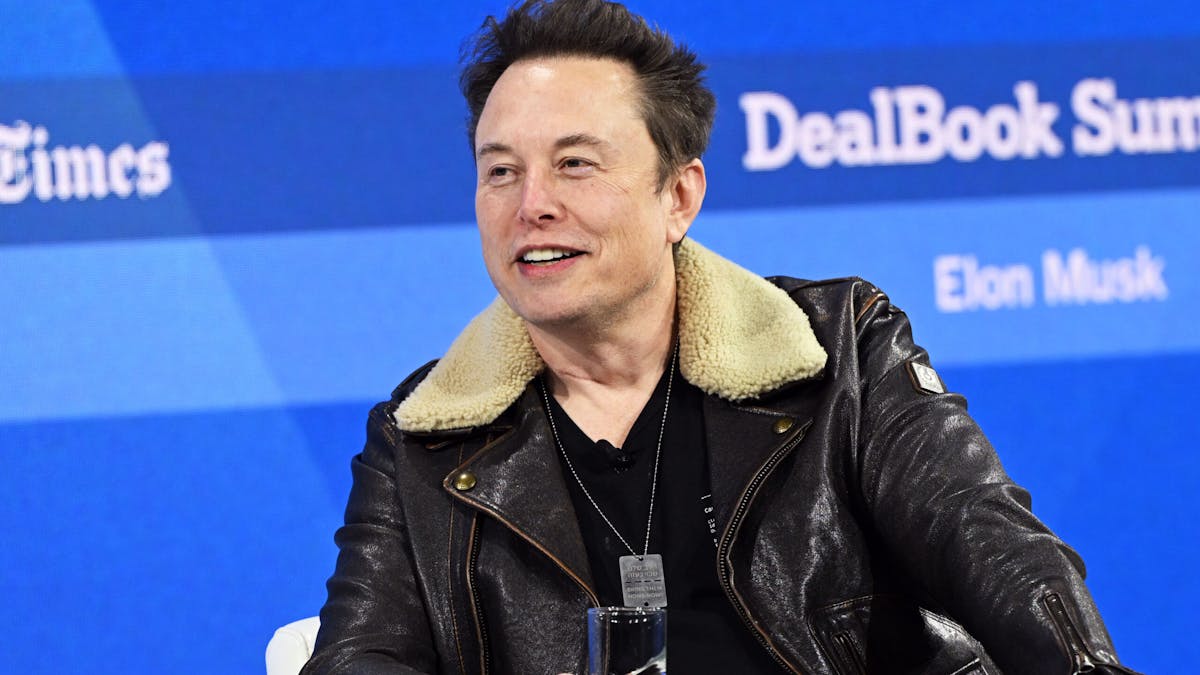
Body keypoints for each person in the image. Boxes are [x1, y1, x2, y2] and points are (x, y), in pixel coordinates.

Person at [302, 1, 1141, 673]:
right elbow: (361, 654)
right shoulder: (423, 437)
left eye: (575, 163)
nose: (532, 205)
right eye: (500, 171)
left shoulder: (841, 350)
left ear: (679, 196)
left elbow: (989, 542)